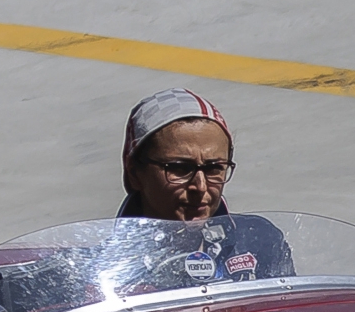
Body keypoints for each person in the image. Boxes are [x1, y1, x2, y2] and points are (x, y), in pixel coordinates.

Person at [117, 89, 292, 280]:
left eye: (214, 168)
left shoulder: (259, 241)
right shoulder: (106, 271)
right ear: (134, 173)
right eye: (180, 168)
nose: (200, 187)